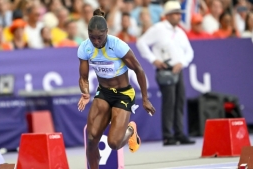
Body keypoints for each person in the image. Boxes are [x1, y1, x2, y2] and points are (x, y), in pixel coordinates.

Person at [77, 8, 156, 169]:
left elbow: (139, 70)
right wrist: (85, 92)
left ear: (107, 32)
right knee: (92, 140)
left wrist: (145, 99)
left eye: (100, 38)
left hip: (123, 94)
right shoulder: (85, 48)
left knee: (114, 143)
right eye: (92, 38)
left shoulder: (118, 46)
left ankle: (130, 131)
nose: (96, 42)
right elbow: (83, 78)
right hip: (104, 93)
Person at [136, 0, 195, 146]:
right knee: (170, 102)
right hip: (165, 70)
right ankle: (168, 135)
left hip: (178, 70)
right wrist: (153, 59)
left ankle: (180, 133)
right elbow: (141, 42)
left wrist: (182, 63)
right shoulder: (159, 29)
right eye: (175, 14)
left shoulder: (180, 32)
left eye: (179, 14)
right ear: (167, 16)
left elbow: (190, 51)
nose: (178, 16)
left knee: (180, 101)